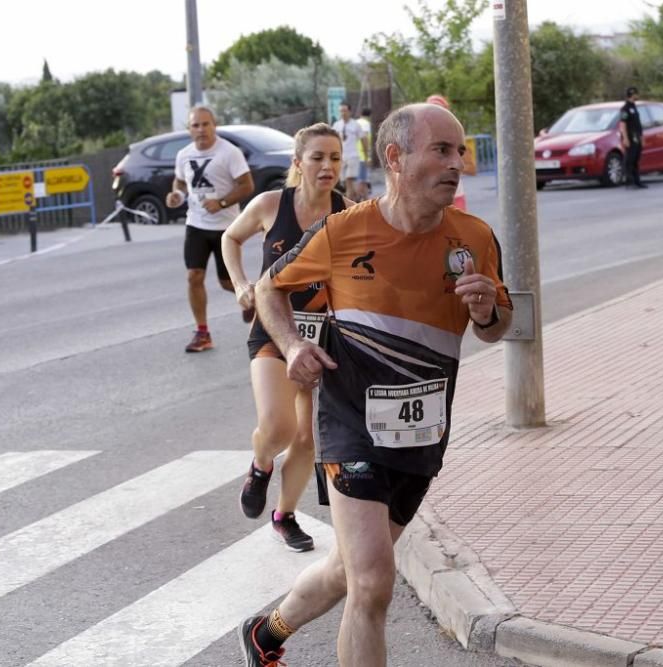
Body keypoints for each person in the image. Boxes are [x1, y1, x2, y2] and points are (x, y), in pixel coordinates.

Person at [238, 103, 513, 666]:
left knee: (348, 569)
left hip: (420, 433)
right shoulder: (343, 231)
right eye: (441, 150)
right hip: (349, 424)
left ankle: (265, 633)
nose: (456, 162)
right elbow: (269, 288)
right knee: (373, 582)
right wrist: (292, 346)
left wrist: (487, 312)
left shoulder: (474, 237)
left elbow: (498, 328)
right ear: (395, 157)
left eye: (459, 151)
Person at [221, 123, 352, 552]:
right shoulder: (269, 204)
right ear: (298, 163)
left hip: (320, 334)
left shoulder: (349, 213)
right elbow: (230, 238)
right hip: (272, 329)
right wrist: (241, 283)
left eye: (334, 157)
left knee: (305, 437)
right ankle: (260, 466)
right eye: (317, 157)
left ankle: (284, 515)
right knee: (279, 427)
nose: (327, 166)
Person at [168, 105, 255, 352]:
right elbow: (180, 182)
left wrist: (222, 202)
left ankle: (257, 303)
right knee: (193, 276)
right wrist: (175, 194)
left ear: (214, 126)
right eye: (196, 125)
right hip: (195, 224)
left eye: (206, 124)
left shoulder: (229, 152)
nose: (201, 129)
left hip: (226, 228)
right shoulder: (184, 155)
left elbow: (247, 185)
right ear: (189, 129)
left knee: (228, 283)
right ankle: (202, 333)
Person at [425, 94, 477, 209]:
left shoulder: (458, 138)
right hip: (428, 200)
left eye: (440, 111)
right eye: (431, 111)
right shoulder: (420, 139)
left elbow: (471, 169)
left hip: (454, 198)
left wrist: (452, 167)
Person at [332, 102, 369, 199]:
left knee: (349, 180)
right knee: (344, 182)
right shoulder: (336, 125)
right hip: (341, 157)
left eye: (345, 111)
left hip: (353, 156)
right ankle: (357, 197)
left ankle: (349, 206)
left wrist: (365, 155)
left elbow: (363, 139)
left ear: (349, 112)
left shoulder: (355, 125)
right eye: (341, 111)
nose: (342, 113)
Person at [619, 86, 647, 189]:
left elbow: (637, 124)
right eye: (636, 94)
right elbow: (623, 124)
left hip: (637, 137)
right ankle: (629, 181)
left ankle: (637, 181)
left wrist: (641, 137)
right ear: (632, 94)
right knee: (629, 159)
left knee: (636, 159)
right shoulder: (625, 109)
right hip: (630, 137)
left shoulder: (634, 107)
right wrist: (625, 138)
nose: (637, 96)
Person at [355, 108, 373, 201]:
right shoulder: (366, 124)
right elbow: (365, 138)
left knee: (362, 179)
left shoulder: (355, 122)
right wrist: (368, 156)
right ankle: (357, 199)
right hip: (362, 155)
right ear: (369, 116)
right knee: (362, 179)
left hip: (354, 154)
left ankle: (365, 200)